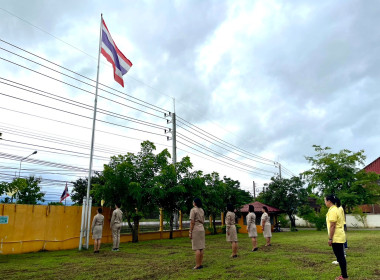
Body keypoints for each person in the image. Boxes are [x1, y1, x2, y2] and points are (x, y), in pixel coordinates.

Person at [325, 194, 348, 280]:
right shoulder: (336, 209)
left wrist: (330, 238)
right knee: (340, 257)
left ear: (329, 201)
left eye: (325, 200)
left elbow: (332, 226)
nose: (325, 202)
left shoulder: (333, 210)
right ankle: (344, 275)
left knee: (340, 257)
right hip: (339, 236)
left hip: (336, 237)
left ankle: (344, 276)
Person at [189, 198, 205, 269]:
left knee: (197, 248)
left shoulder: (193, 210)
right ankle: (200, 263)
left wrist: (190, 231)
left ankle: (198, 265)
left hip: (196, 228)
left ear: (195, 203)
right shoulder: (202, 210)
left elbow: (192, 222)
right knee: (201, 247)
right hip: (202, 228)